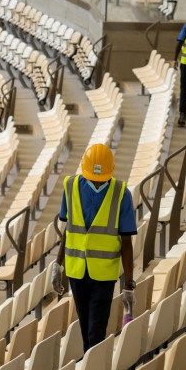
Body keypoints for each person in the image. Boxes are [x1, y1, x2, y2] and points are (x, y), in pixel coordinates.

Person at [51, 143, 137, 353]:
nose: (97, 183)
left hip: (104, 275)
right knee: (85, 327)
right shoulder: (70, 186)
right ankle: (93, 365)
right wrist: (58, 266)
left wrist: (128, 284)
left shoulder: (121, 194)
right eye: (93, 178)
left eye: (101, 179)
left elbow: (126, 243)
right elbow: (68, 230)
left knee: (95, 330)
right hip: (76, 271)